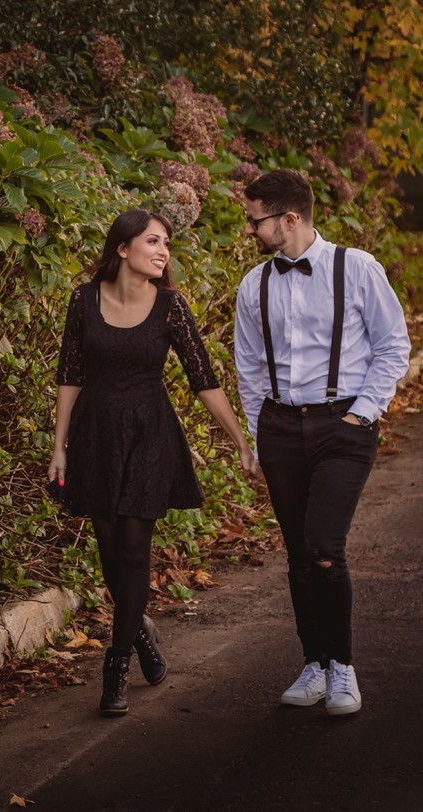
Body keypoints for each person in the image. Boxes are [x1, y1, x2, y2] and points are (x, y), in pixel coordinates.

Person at [49, 209, 255, 717]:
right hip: (96, 434)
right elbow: (70, 375)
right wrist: (59, 446)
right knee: (110, 555)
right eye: (153, 241)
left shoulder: (171, 307)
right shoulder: (83, 300)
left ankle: (115, 666)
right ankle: (138, 627)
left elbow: (203, 379)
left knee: (135, 548)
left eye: (166, 243)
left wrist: (241, 441)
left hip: (150, 435)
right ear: (123, 248)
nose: (163, 252)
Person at [234, 169, 410, 716]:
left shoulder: (356, 268)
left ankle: (343, 667)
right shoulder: (254, 285)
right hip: (281, 429)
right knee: (297, 552)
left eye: (256, 221)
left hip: (343, 426)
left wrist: (361, 414)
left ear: (289, 218)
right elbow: (249, 368)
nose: (250, 230)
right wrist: (260, 436)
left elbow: (393, 345)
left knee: (324, 546)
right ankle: (314, 663)